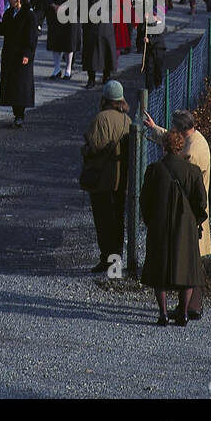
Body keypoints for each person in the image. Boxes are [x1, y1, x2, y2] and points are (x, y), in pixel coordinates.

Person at [143, 107, 211, 319]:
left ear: (180, 130)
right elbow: (172, 143)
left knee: (185, 264)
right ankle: (186, 308)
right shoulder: (195, 139)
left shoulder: (191, 155)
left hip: (182, 215)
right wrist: (155, 129)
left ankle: (190, 308)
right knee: (189, 263)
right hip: (190, 217)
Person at [80, 81, 131, 275]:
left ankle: (106, 261)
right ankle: (115, 265)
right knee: (117, 222)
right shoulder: (126, 120)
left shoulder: (102, 119)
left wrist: (83, 150)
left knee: (103, 223)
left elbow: (93, 146)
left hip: (102, 180)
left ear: (105, 99)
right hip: (121, 181)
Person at [0, 0, 37, 127]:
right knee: (11, 86)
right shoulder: (9, 13)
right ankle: (16, 113)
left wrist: (28, 54)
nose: (9, 0)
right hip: (9, 54)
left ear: (18, 0)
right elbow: (3, 29)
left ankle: (20, 115)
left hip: (22, 55)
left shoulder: (29, 15)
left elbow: (32, 37)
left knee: (21, 86)